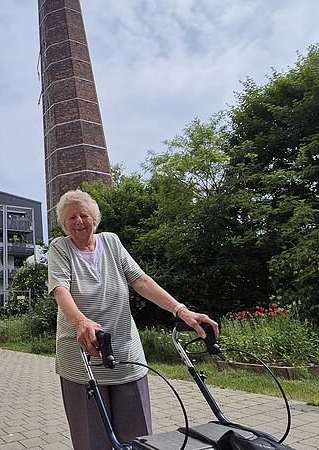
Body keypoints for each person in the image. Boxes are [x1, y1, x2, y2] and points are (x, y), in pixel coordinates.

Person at [47, 189, 219, 450]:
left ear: (95, 217)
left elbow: (141, 280)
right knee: (91, 438)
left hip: (125, 349)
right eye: (71, 218)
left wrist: (181, 310)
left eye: (84, 215)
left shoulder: (112, 242)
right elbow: (60, 288)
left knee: (138, 436)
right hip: (82, 357)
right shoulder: (60, 247)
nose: (79, 221)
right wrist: (81, 321)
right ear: (63, 223)